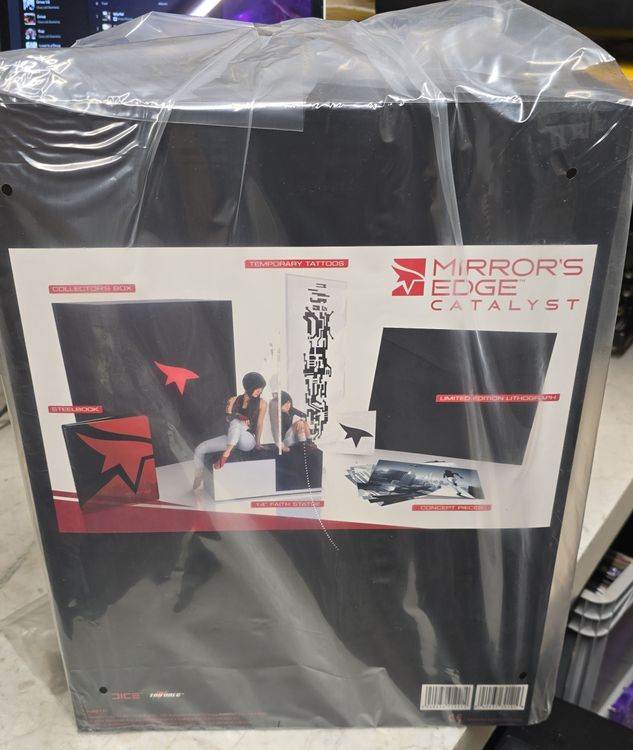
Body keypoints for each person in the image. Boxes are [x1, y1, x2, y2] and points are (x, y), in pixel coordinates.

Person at [192, 372, 267, 489]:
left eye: (261, 388)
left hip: (247, 440)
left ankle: (226, 454)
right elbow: (227, 420)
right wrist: (235, 414)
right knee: (200, 448)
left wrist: (257, 443)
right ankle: (198, 475)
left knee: (237, 422)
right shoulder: (233, 400)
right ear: (249, 386)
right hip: (232, 438)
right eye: (257, 387)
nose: (260, 391)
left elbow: (259, 424)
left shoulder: (262, 403)